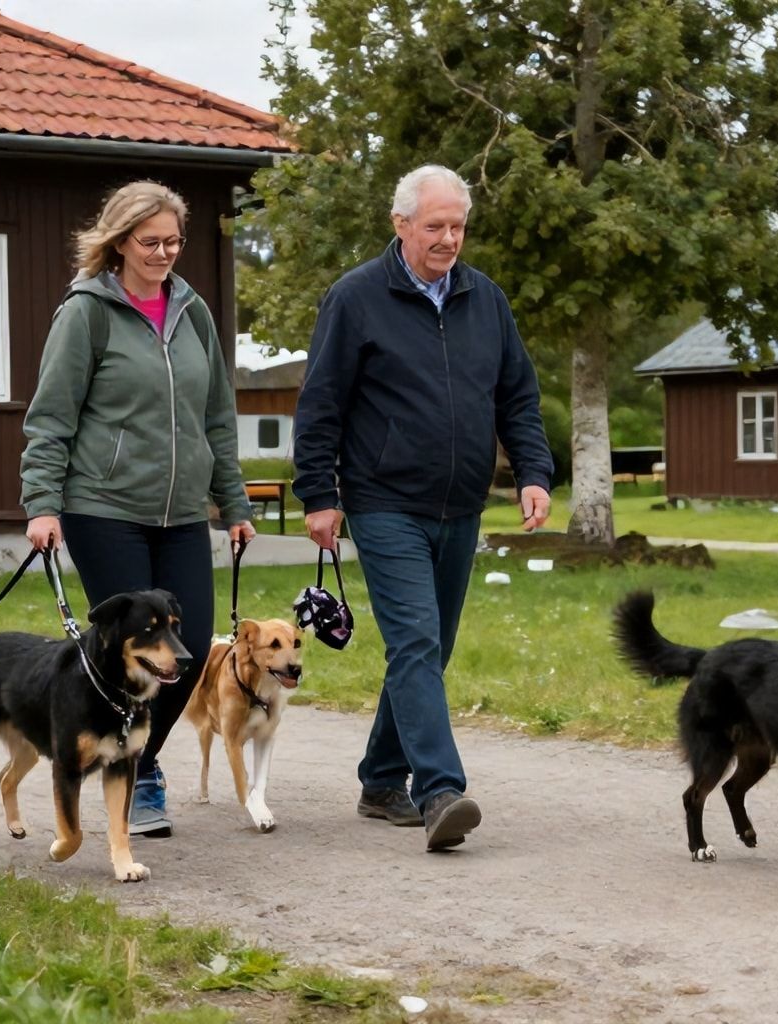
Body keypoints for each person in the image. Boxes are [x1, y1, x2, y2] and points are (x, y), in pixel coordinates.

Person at [292, 164, 554, 852]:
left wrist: (534, 472)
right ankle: (439, 790)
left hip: (461, 503)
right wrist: (319, 493)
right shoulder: (355, 299)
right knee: (414, 640)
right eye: (434, 226)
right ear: (401, 224)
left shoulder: (485, 300)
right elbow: (321, 403)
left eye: (457, 226)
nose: (447, 239)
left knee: (428, 650)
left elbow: (517, 397)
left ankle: (380, 780)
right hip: (383, 502)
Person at [21, 180, 255, 838]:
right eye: (150, 242)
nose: (163, 253)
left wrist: (232, 500)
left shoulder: (192, 311)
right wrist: (42, 502)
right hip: (103, 506)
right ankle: (140, 778)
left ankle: (136, 758)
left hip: (183, 512)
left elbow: (217, 415)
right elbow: (52, 416)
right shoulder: (88, 311)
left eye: (173, 241)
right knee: (125, 653)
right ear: (120, 240)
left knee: (184, 654)